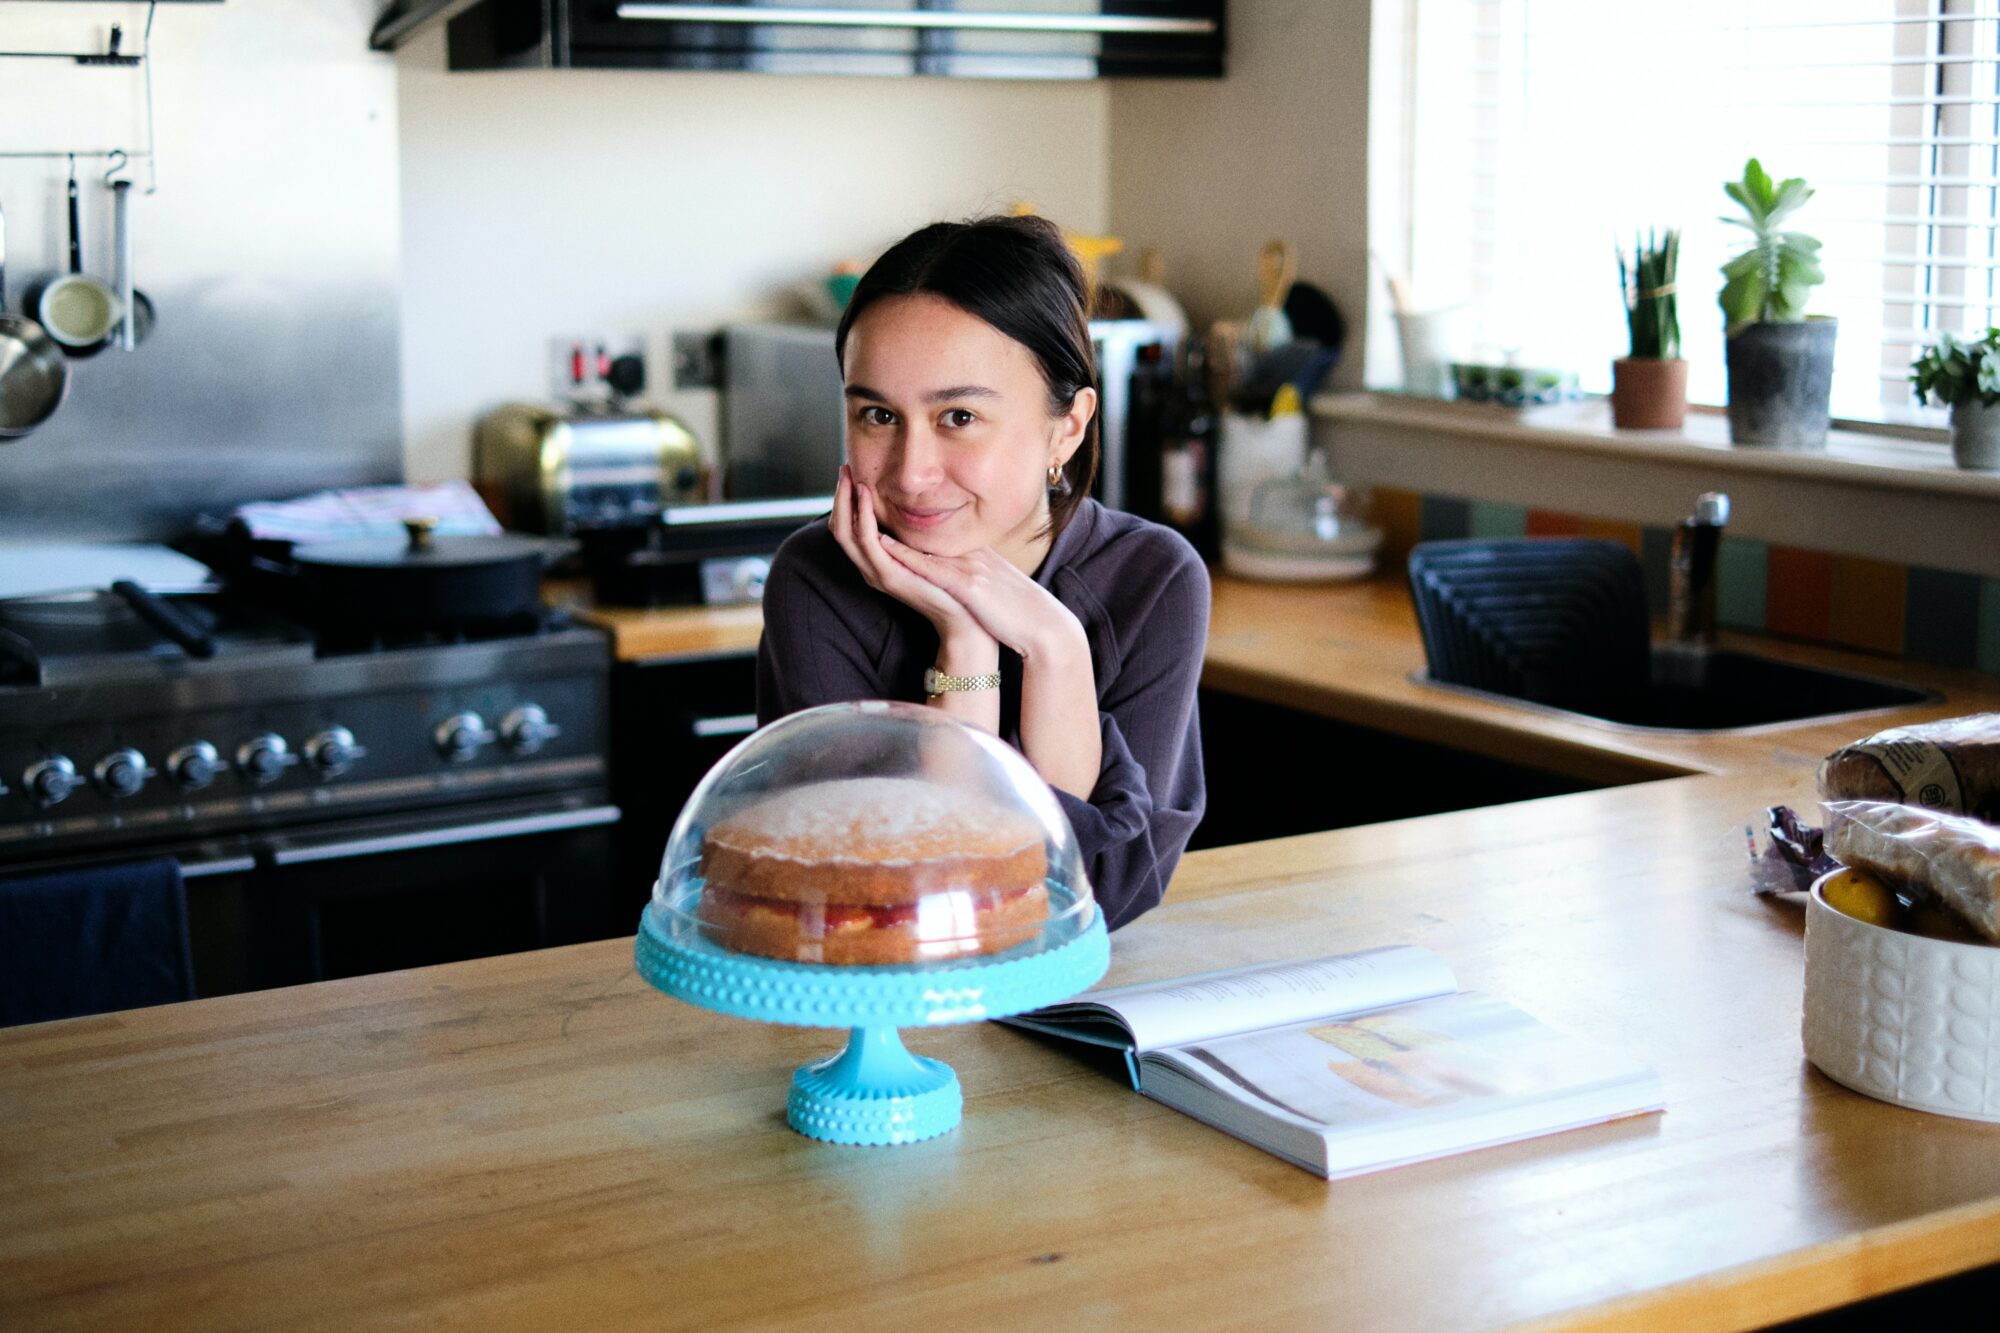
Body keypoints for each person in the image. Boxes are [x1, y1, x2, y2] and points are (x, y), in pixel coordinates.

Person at [755, 214, 1209, 930]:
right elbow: (887, 898)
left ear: (1069, 426)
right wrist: (964, 641)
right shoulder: (817, 578)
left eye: (958, 416)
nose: (912, 472)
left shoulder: (1153, 579)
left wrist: (1056, 646)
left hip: (1082, 1002)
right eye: (878, 414)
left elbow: (1102, 895)